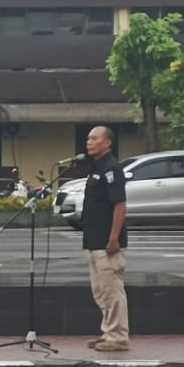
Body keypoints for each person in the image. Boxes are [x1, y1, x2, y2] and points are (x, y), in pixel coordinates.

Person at [80, 125, 129, 353]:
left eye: (94, 138)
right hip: (93, 240)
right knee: (100, 291)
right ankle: (108, 332)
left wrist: (113, 238)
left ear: (107, 143)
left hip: (107, 242)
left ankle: (118, 337)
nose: (89, 142)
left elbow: (119, 205)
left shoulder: (112, 168)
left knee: (112, 290)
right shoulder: (96, 167)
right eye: (88, 138)